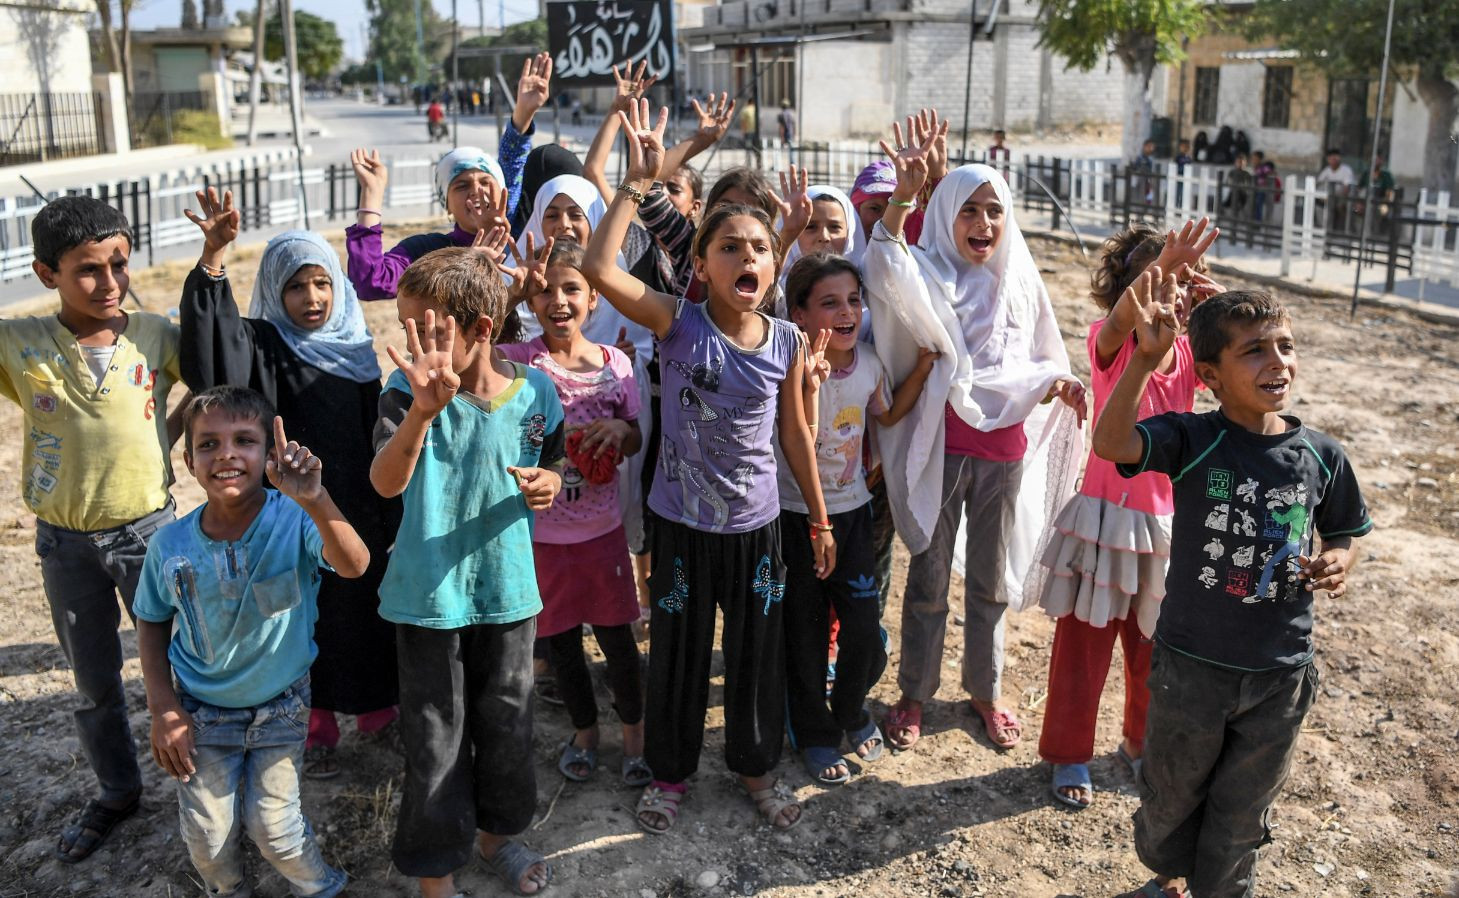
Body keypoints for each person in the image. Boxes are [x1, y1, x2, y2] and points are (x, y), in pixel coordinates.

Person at [582, 99, 833, 835]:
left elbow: (794, 437)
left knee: (753, 663)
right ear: (700, 265)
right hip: (681, 526)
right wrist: (633, 185)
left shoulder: (787, 339)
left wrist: (815, 517)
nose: (746, 257)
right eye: (728, 247)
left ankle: (756, 773)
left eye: (758, 247)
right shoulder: (675, 321)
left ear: (773, 262)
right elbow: (599, 267)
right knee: (681, 660)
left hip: (757, 529)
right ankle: (668, 775)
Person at [1094, 288, 1370, 898]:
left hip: (1280, 672)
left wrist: (1340, 560)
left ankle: (1222, 890)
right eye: (1254, 352)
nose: (1277, 363)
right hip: (1191, 666)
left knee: (1243, 813)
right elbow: (1112, 445)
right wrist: (1142, 360)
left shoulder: (1321, 455)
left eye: (1285, 347)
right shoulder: (1194, 439)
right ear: (1211, 375)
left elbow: (1348, 529)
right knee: (1171, 798)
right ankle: (1169, 876)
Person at [862, 122, 1086, 754]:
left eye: (995, 209)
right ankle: (915, 693)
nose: (984, 222)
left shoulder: (1019, 277)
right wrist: (905, 197)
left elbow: (1042, 354)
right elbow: (882, 265)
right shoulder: (925, 269)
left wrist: (1061, 384)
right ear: (944, 216)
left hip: (1004, 452)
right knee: (929, 575)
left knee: (989, 580)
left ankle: (985, 691)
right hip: (942, 446)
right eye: (968, 209)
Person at [179, 188, 402, 780]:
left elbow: (373, 431)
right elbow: (211, 361)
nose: (312, 298)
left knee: (367, 603)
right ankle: (319, 720)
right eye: (297, 286)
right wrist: (213, 260)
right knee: (309, 613)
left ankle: (379, 708)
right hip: (288, 508)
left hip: (356, 503)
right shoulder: (262, 344)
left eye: (322, 283)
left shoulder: (355, 347)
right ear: (277, 290)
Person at [370, 247, 565, 897]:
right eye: (407, 327)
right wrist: (423, 412)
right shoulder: (405, 394)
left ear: (482, 328)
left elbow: (553, 459)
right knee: (434, 739)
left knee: (508, 725)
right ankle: (436, 875)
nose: (415, 344)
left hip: (509, 594)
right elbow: (385, 481)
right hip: (428, 600)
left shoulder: (536, 390)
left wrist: (549, 482)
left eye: (430, 330)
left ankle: (496, 837)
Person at [134, 388, 370, 898]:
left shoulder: (295, 519)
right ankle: (228, 889)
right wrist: (163, 709)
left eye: (244, 440)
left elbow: (355, 564)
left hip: (282, 706)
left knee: (275, 829)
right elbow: (151, 621)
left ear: (268, 455)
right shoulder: (169, 545)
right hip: (201, 712)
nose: (226, 454)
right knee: (208, 837)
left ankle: (321, 887)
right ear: (188, 460)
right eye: (208, 444)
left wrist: (314, 498)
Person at [3, 196, 182, 862]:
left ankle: (206, 782)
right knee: (93, 681)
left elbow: (219, 376)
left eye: (120, 264)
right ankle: (116, 790)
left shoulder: (156, 335)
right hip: (64, 544)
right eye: (87, 270)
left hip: (150, 534)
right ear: (45, 272)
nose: (109, 283)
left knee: (180, 664)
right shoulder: (19, 343)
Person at [1036, 220, 1220, 811]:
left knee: (1155, 649)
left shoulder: (1191, 353)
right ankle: (1068, 752)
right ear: (1124, 289)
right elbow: (1122, 321)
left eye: (1179, 280)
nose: (1166, 290)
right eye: (1150, 278)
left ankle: (1141, 745)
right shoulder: (1108, 339)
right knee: (1083, 648)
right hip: (1104, 522)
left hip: (1165, 528)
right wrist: (1161, 273)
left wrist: (1217, 320)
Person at [779, 252, 937, 785]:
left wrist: (921, 369)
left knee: (865, 633)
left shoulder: (869, 363)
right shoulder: (791, 367)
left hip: (852, 516)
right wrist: (810, 383)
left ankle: (848, 710)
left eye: (853, 300)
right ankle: (814, 733)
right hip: (797, 516)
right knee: (804, 633)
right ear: (798, 314)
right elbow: (797, 431)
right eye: (829, 303)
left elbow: (887, 416)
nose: (846, 311)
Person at [497, 241, 650, 788]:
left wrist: (621, 433)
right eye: (545, 290)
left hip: (602, 535)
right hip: (544, 535)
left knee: (617, 643)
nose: (558, 300)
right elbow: (480, 357)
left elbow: (634, 438)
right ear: (532, 301)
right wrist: (506, 296)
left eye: (572, 289)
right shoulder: (521, 362)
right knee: (562, 645)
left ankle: (634, 736)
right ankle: (586, 733)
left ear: (593, 298)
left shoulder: (616, 364)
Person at [346, 51, 555, 300]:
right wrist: (371, 195)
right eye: (462, 185)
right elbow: (371, 282)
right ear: (446, 203)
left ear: (503, 193)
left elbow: (512, 160)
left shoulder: (528, 240)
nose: (477, 190)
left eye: (485, 181)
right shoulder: (430, 251)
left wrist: (523, 112)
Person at [1315, 148, 1356, 231]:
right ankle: (1324, 228)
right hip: (1330, 198)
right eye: (1331, 158)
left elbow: (1346, 188)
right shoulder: (1327, 170)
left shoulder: (1346, 170)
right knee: (1318, 205)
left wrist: (1340, 200)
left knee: (1341, 209)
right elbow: (1318, 183)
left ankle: (1345, 230)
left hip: (1343, 198)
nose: (1333, 160)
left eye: (1335, 157)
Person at [777, 98, 797, 162]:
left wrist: (782, 137)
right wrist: (794, 134)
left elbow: (781, 126)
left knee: (778, 151)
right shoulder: (791, 114)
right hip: (790, 134)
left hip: (784, 134)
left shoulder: (781, 115)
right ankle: (793, 165)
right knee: (792, 151)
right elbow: (794, 126)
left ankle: (777, 163)